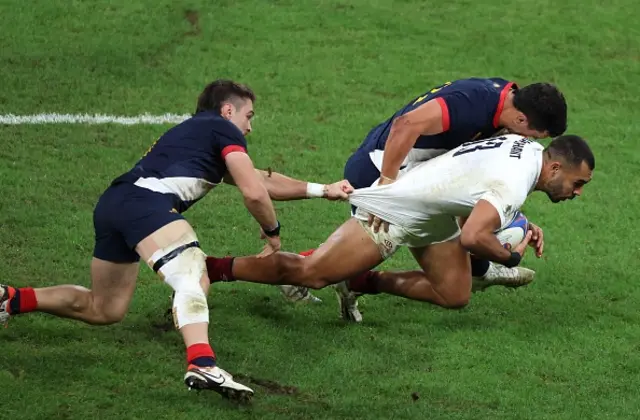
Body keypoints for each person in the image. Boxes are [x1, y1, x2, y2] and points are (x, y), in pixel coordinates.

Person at [0, 79, 353, 400]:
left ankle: (11, 299)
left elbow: (261, 179)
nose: (250, 125)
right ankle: (202, 362)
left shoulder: (197, 135)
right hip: (143, 204)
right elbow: (254, 193)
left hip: (114, 204)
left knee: (104, 307)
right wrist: (273, 232)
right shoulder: (220, 128)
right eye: (248, 115)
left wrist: (324, 190)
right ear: (227, 110)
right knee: (193, 275)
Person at [204, 134, 595, 324]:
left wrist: (520, 222)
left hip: (435, 210)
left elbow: (480, 188)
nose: (577, 194)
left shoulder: (525, 148)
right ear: (556, 168)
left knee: (454, 293)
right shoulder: (514, 183)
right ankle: (213, 267)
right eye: (578, 184)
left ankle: (360, 283)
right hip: (398, 210)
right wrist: (509, 255)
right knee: (311, 273)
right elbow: (475, 236)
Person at [270, 77, 569, 305]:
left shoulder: (507, 100)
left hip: (417, 173)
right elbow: (406, 125)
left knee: (454, 265)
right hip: (380, 167)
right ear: (521, 120)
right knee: (367, 249)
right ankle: (284, 267)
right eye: (535, 135)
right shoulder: (474, 103)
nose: (533, 143)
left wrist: (518, 218)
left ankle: (481, 270)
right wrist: (386, 189)